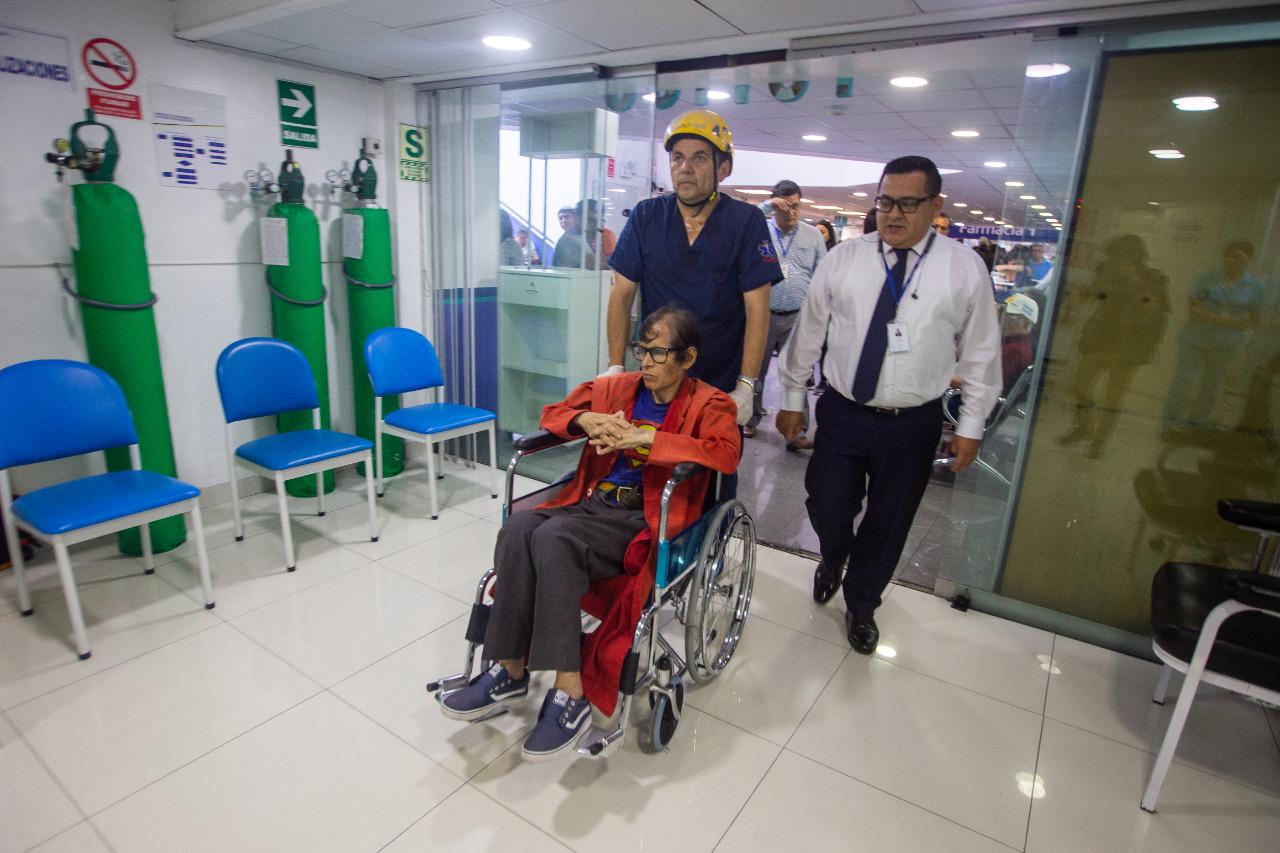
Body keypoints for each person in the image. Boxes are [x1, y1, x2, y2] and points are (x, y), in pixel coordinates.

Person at [439, 306, 739, 760]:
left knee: (553, 539)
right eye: (642, 350)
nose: (646, 362)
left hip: (644, 519)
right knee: (519, 527)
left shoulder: (709, 403)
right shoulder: (618, 389)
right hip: (593, 501)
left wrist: (647, 439)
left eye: (658, 353)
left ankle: (571, 690)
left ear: (688, 357)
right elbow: (554, 413)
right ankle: (510, 669)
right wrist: (585, 421)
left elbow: (725, 453)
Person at [775, 155, 1001, 654]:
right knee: (827, 502)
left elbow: (982, 352)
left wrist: (971, 425)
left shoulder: (962, 267)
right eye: (885, 201)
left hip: (912, 423)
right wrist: (792, 396)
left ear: (935, 206)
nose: (893, 214)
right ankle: (834, 555)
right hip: (844, 412)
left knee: (890, 520)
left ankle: (862, 603)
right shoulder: (845, 258)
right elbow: (809, 331)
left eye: (908, 203)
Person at [607, 109, 781, 428]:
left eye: (699, 158)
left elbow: (758, 309)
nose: (685, 168)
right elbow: (621, 295)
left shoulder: (746, 222)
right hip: (658, 380)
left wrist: (746, 385)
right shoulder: (646, 217)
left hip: (719, 385)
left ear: (724, 168)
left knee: (711, 460)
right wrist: (615, 366)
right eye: (677, 157)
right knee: (649, 453)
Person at [1058, 234, 1169, 458]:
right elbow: (1094, 297)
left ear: (1135, 256)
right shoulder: (1108, 274)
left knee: (1113, 398)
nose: (1115, 262)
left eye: (1119, 257)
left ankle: (1099, 442)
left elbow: (1151, 307)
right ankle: (1084, 427)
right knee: (1078, 386)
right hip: (1100, 339)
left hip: (1130, 344)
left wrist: (1135, 280)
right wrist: (1084, 292)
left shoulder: (1154, 278)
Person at [745, 180, 827, 447]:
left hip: (797, 316)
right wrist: (767, 206)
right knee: (755, 370)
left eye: (796, 206)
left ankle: (797, 431)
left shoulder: (812, 236)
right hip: (763, 315)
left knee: (797, 373)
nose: (791, 211)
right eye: (784, 206)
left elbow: (822, 275)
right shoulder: (760, 230)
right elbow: (743, 221)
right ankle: (750, 418)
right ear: (774, 207)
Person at [1162, 241, 1262, 430]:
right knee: (1184, 382)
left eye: (1239, 257)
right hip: (1194, 340)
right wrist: (1232, 321)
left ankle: (1197, 426)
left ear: (1249, 260)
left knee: (1212, 386)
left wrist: (1246, 338)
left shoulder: (1255, 288)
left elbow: (1253, 319)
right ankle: (1168, 425)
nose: (1232, 261)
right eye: (1229, 256)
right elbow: (1194, 313)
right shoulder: (1206, 279)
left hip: (1227, 345)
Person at [1001, 292, 1038, 395]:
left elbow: (992, 387)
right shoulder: (1014, 344)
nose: (1003, 320)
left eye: (1010, 316)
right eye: (1003, 314)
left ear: (1026, 324)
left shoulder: (1014, 351)